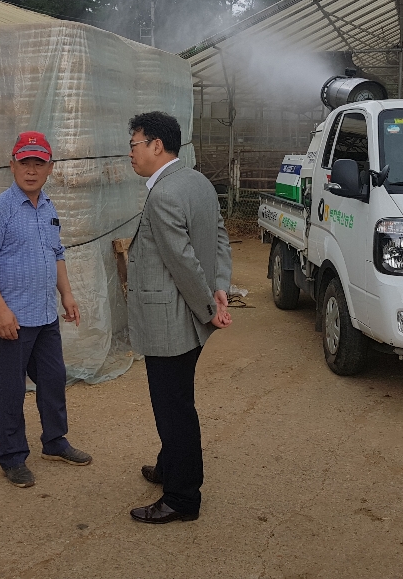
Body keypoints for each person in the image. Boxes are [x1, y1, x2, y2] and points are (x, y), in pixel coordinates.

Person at [125, 111, 232, 524]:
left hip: (171, 321)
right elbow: (219, 234)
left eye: (134, 144)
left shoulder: (165, 194)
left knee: (174, 409)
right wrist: (220, 285)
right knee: (177, 400)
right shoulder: (197, 181)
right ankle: (170, 467)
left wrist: (210, 308)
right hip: (188, 319)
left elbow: (183, 263)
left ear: (156, 145)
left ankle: (182, 497)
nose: (130, 154)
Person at [0, 131, 91, 488]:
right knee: (9, 388)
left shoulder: (49, 207)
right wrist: (0, 310)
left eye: (38, 163)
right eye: (24, 162)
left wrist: (66, 294)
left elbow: (56, 253)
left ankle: (54, 441)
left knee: (53, 380)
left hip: (44, 313)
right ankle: (11, 456)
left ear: (49, 168)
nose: (31, 170)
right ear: (12, 165)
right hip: (10, 318)